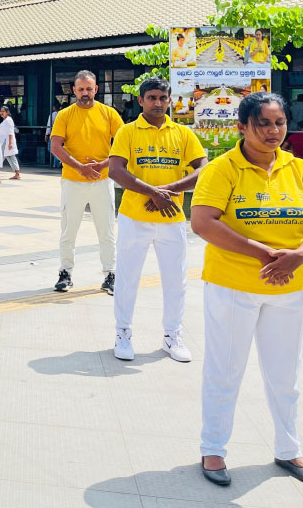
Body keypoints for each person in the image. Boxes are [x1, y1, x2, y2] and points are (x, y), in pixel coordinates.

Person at [191, 92, 303, 488]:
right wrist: (262, 252)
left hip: (289, 288)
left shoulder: (299, 169)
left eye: (279, 123)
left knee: (285, 375)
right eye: (263, 124)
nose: (273, 131)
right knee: (225, 370)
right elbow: (203, 222)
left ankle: (289, 449)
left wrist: (299, 256)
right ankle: (214, 448)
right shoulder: (223, 169)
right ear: (242, 126)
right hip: (233, 286)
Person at [107, 78, 207, 362]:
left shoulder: (183, 134)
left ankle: (172, 335)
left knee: (176, 279)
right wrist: (152, 192)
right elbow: (116, 170)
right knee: (127, 278)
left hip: (172, 218)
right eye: (151, 97)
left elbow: (203, 168)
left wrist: (168, 192)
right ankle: (123, 332)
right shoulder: (128, 132)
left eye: (163, 97)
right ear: (140, 101)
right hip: (133, 217)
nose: (157, 103)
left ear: (170, 100)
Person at [50, 71, 123, 295]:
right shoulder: (64, 115)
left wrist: (101, 165)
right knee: (69, 230)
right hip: (73, 181)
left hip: (102, 181)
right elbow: (56, 146)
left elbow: (123, 144)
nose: (85, 93)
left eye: (89, 89)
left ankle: (110, 274)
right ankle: (66, 273)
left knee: (107, 229)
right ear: (74, 91)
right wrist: (80, 167)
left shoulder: (109, 114)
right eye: (81, 89)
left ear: (96, 89)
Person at [0, 104, 20, 180]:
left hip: (6, 141)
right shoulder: (5, 120)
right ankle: (17, 173)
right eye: (1, 111)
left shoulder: (8, 120)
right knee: (9, 156)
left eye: (3, 111)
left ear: (7, 112)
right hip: (4, 141)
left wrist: (10, 143)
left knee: (0, 157)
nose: (1, 112)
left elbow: (10, 132)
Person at [45, 101, 62, 169]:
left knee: (51, 149)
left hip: (53, 133)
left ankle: (59, 160)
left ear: (54, 107)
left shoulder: (52, 115)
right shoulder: (62, 114)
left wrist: (46, 134)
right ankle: (56, 164)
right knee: (57, 148)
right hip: (61, 134)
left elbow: (49, 125)